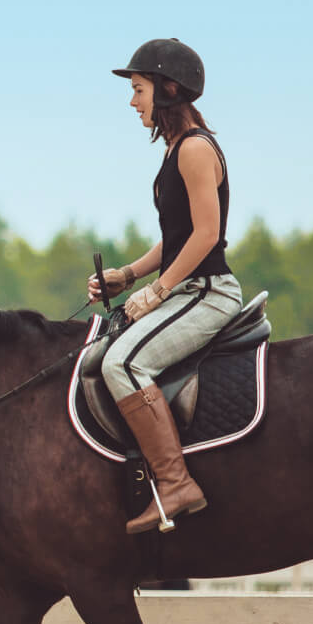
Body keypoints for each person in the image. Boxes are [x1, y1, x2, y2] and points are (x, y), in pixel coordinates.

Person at [89, 38, 243, 534]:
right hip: (187, 288)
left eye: (138, 89)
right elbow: (176, 238)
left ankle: (175, 483)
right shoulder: (177, 149)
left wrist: (156, 292)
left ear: (168, 90)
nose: (132, 101)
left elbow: (206, 235)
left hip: (207, 293)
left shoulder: (195, 149)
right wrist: (128, 275)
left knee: (122, 363)